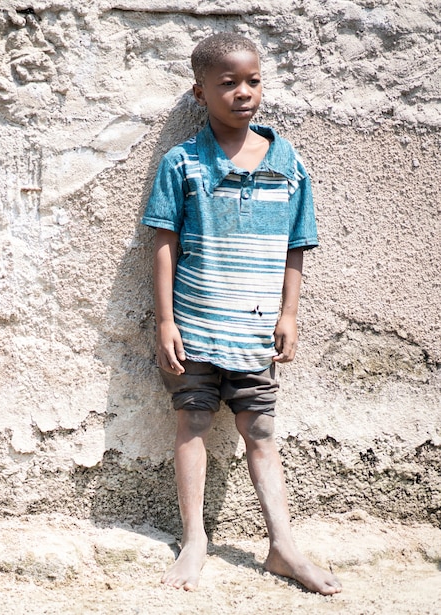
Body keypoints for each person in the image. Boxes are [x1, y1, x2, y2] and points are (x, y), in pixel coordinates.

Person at [141, 32, 342, 595]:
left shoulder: (288, 165)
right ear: (199, 92)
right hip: (196, 325)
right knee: (194, 422)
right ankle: (195, 541)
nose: (243, 92)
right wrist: (165, 322)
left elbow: (297, 244)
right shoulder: (182, 164)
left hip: (255, 326)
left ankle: (282, 546)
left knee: (260, 429)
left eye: (252, 80)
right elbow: (162, 242)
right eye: (227, 83)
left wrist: (290, 314)